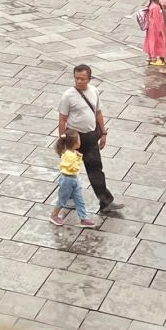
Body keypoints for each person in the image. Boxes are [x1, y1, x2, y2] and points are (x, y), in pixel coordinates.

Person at [56, 64, 116, 216]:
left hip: (90, 137)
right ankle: (67, 198)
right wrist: (63, 139)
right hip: (74, 137)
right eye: (77, 78)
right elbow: (62, 120)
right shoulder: (68, 96)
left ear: (89, 78)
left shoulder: (94, 91)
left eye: (83, 79)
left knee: (96, 169)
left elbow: (98, 113)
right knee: (70, 169)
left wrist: (103, 133)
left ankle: (105, 201)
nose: (79, 81)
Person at [49, 131, 99, 227]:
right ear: (74, 143)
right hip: (67, 180)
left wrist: (77, 157)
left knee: (79, 199)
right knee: (62, 199)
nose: (80, 142)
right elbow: (73, 168)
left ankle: (83, 219)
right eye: (79, 140)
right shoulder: (69, 155)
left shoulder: (72, 153)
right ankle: (54, 215)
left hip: (73, 178)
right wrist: (79, 158)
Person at [142, 0, 166, 66]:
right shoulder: (155, 7)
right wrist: (160, 29)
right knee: (157, 42)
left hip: (151, 28)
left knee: (151, 41)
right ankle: (155, 57)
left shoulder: (151, 5)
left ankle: (151, 56)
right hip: (156, 28)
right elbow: (156, 20)